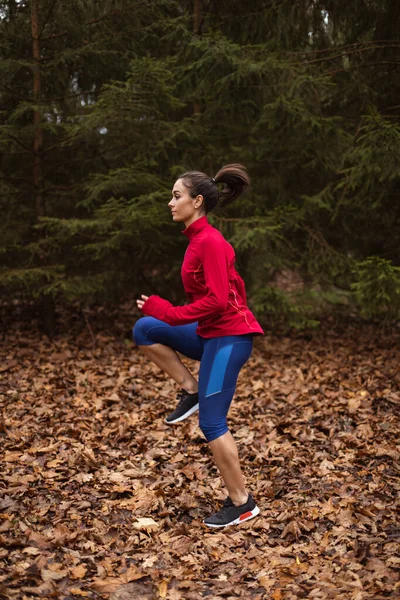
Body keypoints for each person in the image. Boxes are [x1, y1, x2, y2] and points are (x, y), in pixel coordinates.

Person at [133, 164, 264, 528]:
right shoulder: (196, 240)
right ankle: (190, 388)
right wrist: (167, 316)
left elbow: (221, 300)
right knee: (145, 328)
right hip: (209, 334)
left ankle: (242, 502)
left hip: (230, 338)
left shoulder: (211, 242)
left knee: (212, 423)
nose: (170, 202)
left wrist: (171, 313)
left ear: (198, 201)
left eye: (177, 196)